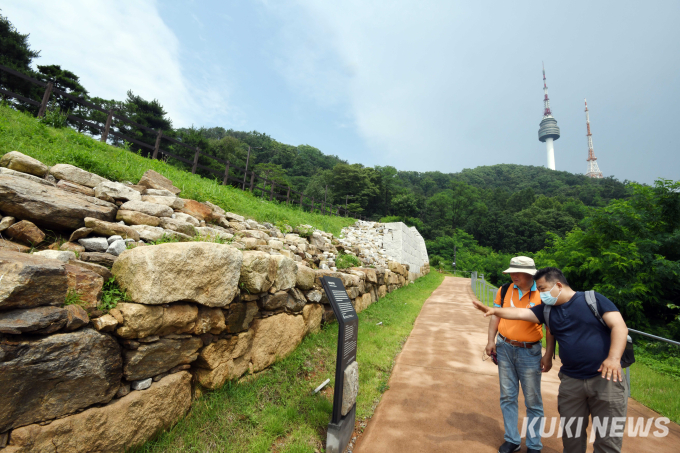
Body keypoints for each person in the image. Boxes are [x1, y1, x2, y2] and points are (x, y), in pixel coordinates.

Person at [472, 267, 629, 453]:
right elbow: (521, 314)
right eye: (538, 290)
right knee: (572, 438)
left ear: (559, 285)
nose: (540, 294)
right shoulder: (547, 310)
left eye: (542, 288)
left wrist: (613, 358)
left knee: (608, 439)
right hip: (571, 381)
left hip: (605, 379)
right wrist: (493, 311)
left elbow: (619, 326)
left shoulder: (592, 299)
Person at [486, 256, 546, 453]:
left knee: (533, 400)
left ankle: (534, 444)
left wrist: (550, 353)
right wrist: (490, 340)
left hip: (530, 352)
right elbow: (496, 315)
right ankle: (512, 439)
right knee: (507, 396)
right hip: (504, 348)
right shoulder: (504, 289)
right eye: (511, 271)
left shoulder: (543, 293)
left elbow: (551, 327)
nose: (513, 275)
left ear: (530, 274)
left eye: (517, 272)